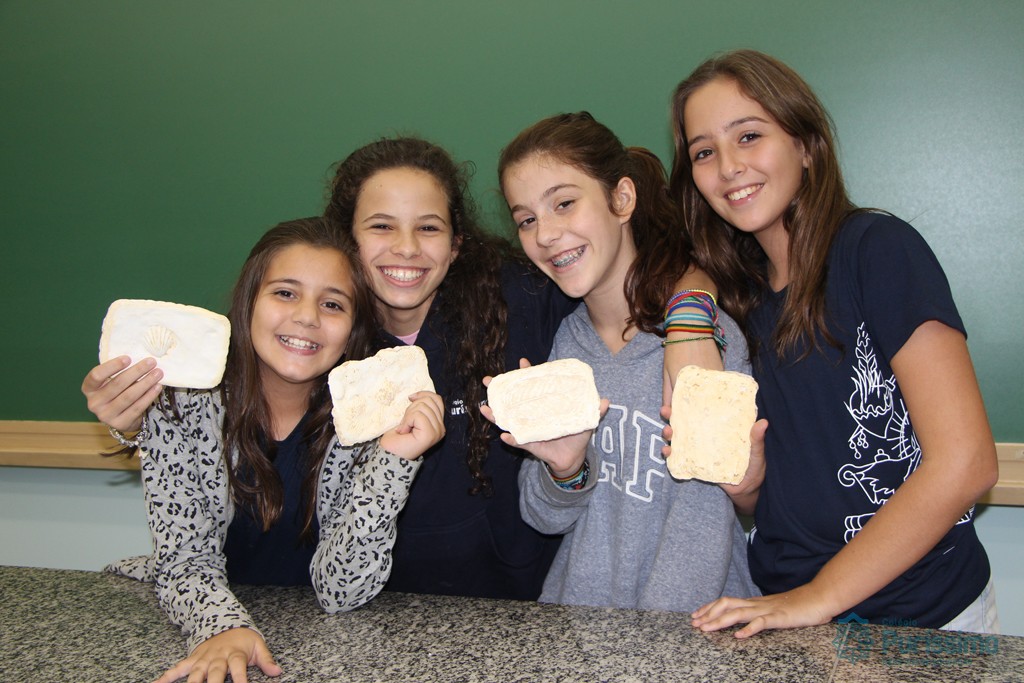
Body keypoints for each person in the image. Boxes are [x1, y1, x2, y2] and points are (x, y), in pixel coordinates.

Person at [669, 49, 999, 637]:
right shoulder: (737, 300)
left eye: (749, 135)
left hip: (925, 620)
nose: (728, 167)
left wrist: (816, 597)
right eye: (703, 152)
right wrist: (749, 486)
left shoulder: (878, 250)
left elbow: (966, 462)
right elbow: (776, 499)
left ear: (805, 145)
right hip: (790, 617)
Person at [81, 217, 446, 683]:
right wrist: (223, 628)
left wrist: (394, 460)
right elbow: (185, 560)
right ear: (248, 301)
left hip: (315, 634)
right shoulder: (182, 403)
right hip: (194, 611)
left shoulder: (367, 421)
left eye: (333, 304)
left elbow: (342, 591)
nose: (308, 317)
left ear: (354, 327)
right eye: (285, 293)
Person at [491, 111, 760, 611]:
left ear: (622, 199)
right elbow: (543, 517)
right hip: (580, 627)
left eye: (564, 203)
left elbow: (705, 518)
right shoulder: (565, 344)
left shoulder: (704, 339)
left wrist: (652, 641)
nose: (544, 234)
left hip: (690, 628)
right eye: (526, 219)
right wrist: (566, 470)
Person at [324, 138, 573, 599]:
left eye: (428, 227)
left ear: (456, 244)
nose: (406, 248)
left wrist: (689, 320)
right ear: (346, 240)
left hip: (523, 608)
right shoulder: (321, 340)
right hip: (377, 608)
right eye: (381, 226)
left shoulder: (519, 301)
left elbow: (637, 270)